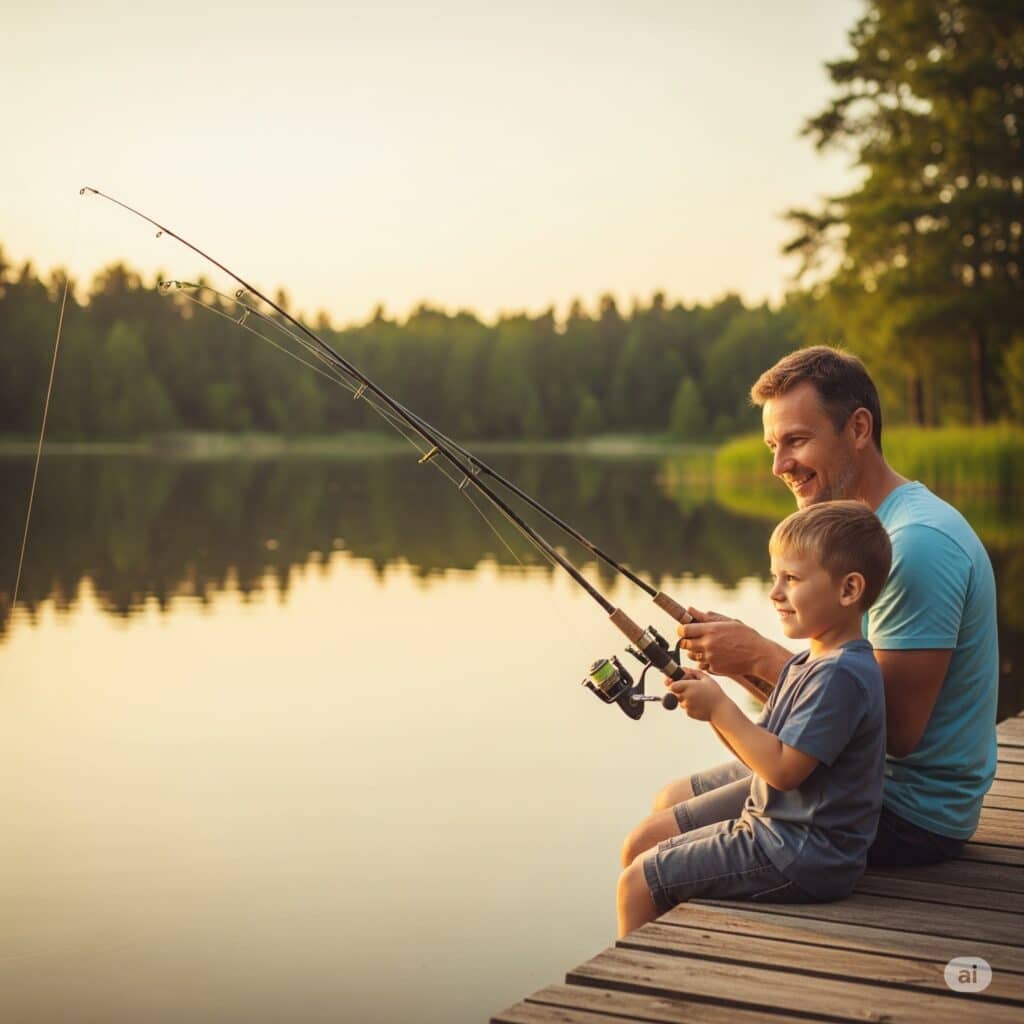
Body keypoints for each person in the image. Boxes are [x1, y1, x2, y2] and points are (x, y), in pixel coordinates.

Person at [653, 346, 998, 868]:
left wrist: (756, 657)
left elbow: (897, 731)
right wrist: (736, 660)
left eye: (796, 440)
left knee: (653, 844)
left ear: (859, 429)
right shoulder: (853, 537)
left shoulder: (916, 544)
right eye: (772, 445)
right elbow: (827, 704)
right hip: (854, 777)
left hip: (908, 812)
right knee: (670, 802)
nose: (778, 465)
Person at [617, 500, 891, 937]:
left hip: (800, 853)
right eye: (774, 578)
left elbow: (783, 771)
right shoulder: (813, 663)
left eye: (792, 579)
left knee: (638, 883)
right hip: (780, 834)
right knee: (644, 851)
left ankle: (636, 990)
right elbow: (761, 753)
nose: (774, 593)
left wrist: (721, 707)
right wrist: (710, 709)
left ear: (849, 590)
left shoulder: (840, 674)